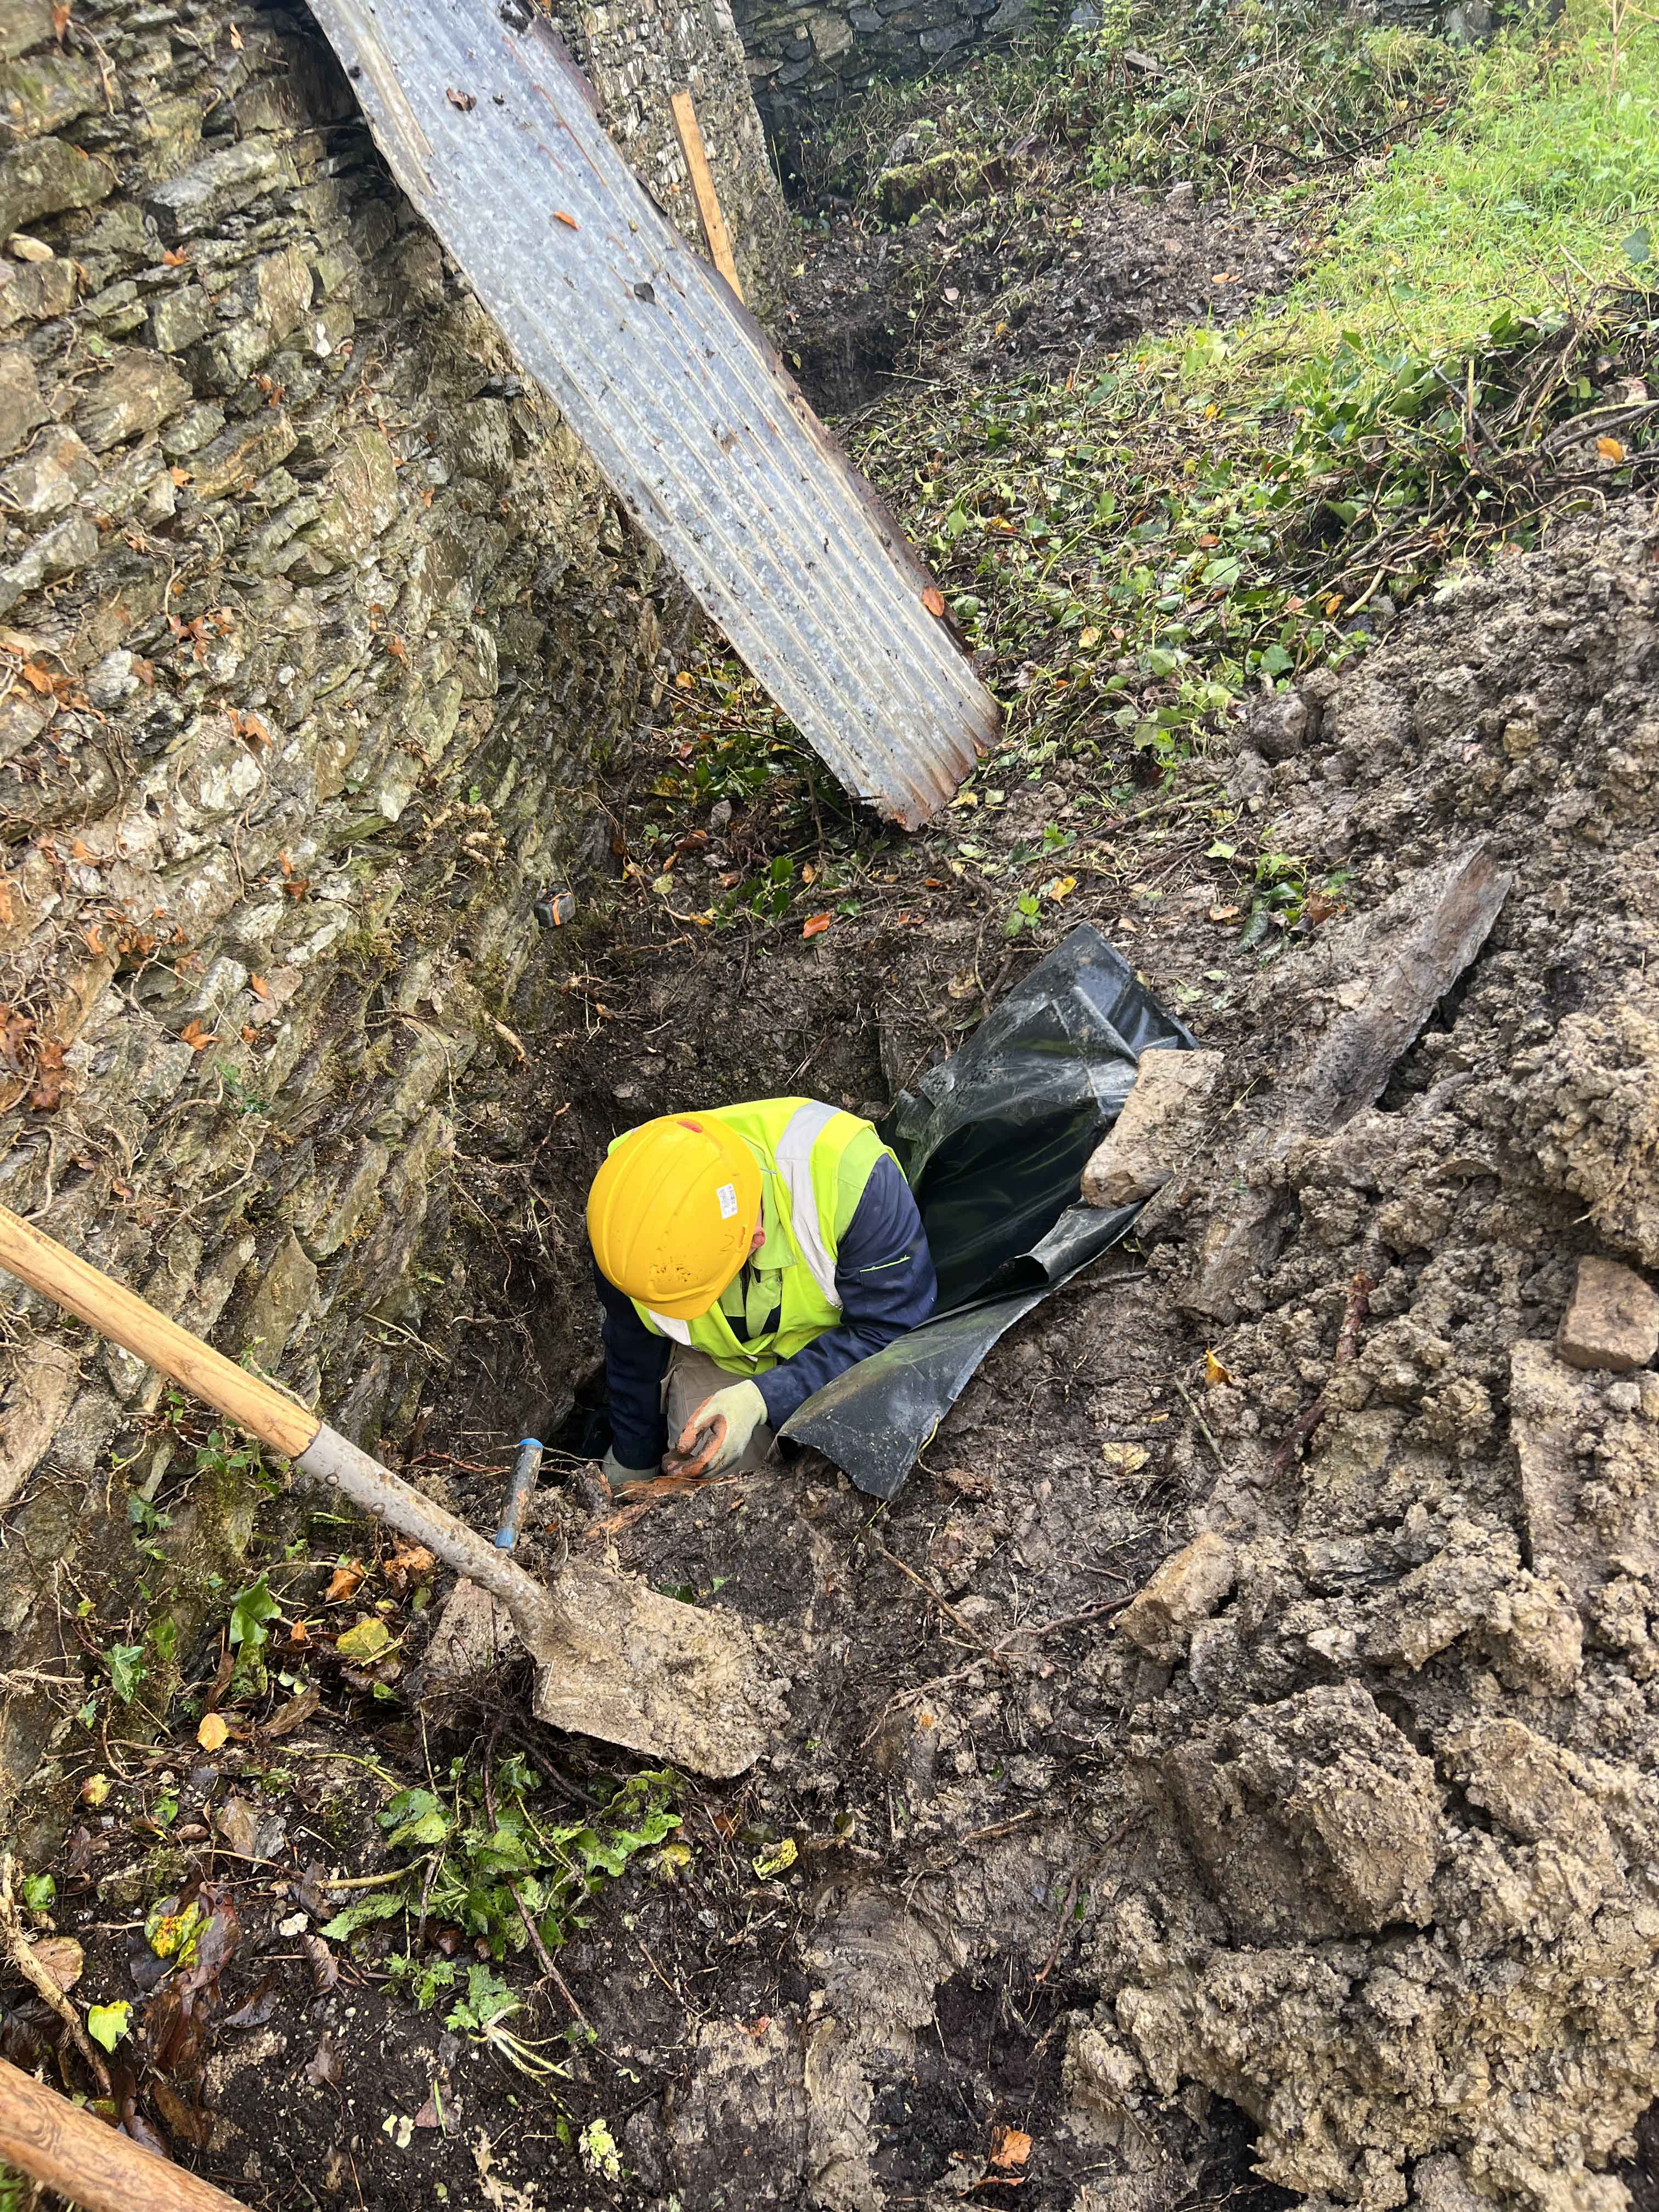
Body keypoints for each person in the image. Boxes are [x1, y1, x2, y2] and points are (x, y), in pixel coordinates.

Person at [586, 1098, 937, 1486]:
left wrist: (763, 1398)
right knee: (701, 1488)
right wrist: (633, 1455)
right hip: (723, 1361)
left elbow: (892, 1332)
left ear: (754, 1241)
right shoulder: (621, 1219)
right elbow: (631, 1346)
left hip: (843, 1353)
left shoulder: (852, 1183)